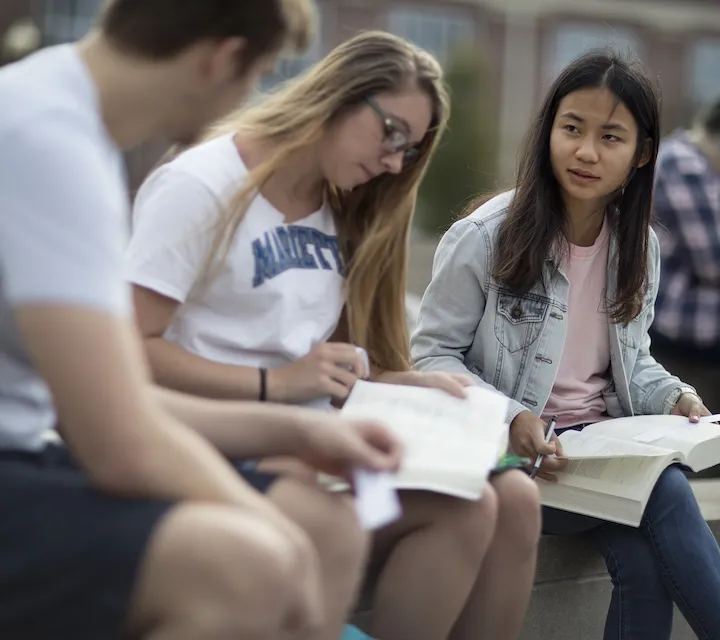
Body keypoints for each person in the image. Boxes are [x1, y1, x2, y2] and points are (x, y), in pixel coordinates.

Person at [0, 2, 405, 639]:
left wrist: (304, 436)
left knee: (296, 537)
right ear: (222, 58)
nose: (253, 98)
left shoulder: (58, 116)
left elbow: (115, 403)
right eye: (262, 72)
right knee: (249, 562)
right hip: (20, 461)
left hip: (28, 455)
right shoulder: (51, 144)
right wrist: (278, 535)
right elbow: (118, 446)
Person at [123, 30, 542, 640]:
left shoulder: (346, 204)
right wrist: (275, 383)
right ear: (339, 96)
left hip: (321, 440)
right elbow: (129, 351)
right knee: (467, 509)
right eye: (391, 133)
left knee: (494, 503)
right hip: (220, 442)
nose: (396, 162)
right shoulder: (203, 184)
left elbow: (329, 366)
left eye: (412, 148)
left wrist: (407, 386)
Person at [411, 50, 720, 639]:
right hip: (515, 463)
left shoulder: (639, 251)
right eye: (572, 128)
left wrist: (675, 396)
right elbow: (430, 357)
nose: (585, 151)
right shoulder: (485, 236)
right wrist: (511, 415)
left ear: (641, 154)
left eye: (610, 137)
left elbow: (630, 363)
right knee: (668, 491)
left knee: (644, 565)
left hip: (598, 454)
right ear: (549, 129)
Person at [650, 96, 720, 413]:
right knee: (697, 451)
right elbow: (713, 259)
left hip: (700, 346)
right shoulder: (683, 164)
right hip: (685, 345)